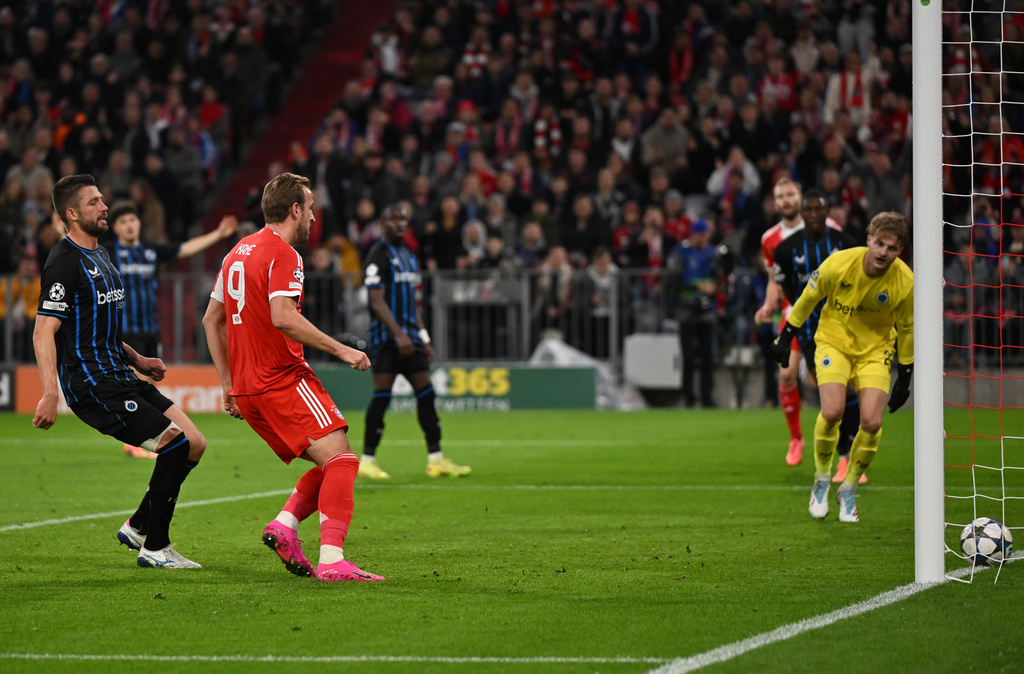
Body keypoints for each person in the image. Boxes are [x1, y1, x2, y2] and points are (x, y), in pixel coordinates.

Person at [202, 172, 383, 582]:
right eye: (312, 209)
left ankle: (285, 525)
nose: (315, 218)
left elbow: (210, 320)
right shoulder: (284, 254)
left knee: (330, 462)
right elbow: (283, 317)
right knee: (342, 460)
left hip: (248, 390)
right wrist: (342, 349)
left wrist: (227, 384)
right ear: (294, 210)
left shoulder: (236, 253)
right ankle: (333, 560)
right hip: (282, 378)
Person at [33, 174, 207, 569]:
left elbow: (101, 327)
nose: (104, 206)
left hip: (121, 372)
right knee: (174, 444)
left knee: (194, 442)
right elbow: (44, 330)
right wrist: (49, 392)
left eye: (102, 199)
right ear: (72, 213)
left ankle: (138, 526)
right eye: (94, 202)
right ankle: (155, 548)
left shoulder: (103, 255)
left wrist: (138, 360)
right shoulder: (63, 262)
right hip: (93, 384)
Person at [772, 211, 914, 523]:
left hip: (875, 351)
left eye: (892, 248)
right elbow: (807, 299)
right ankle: (822, 481)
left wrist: (905, 376)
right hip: (834, 343)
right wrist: (785, 337)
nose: (883, 253)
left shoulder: (904, 281)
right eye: (879, 244)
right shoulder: (839, 263)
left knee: (872, 423)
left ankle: (847, 489)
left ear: (900, 251)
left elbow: (907, 329)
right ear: (869, 240)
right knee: (833, 411)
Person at [106, 201, 239, 458]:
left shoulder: (150, 252)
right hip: (125, 330)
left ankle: (140, 439)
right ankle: (136, 441)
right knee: (137, 386)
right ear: (116, 229)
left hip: (150, 328)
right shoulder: (110, 253)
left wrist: (218, 235)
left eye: (132, 220)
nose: (129, 225)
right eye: (123, 222)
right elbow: (82, 253)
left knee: (145, 386)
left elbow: (184, 249)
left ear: (139, 223)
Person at [357, 204, 471, 480]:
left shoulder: (409, 256)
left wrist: (423, 337)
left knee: (427, 394)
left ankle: (436, 459)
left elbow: (415, 303)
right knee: (382, 396)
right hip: (388, 340)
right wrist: (398, 334)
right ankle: (367, 460)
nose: (400, 223)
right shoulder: (377, 255)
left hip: (412, 339)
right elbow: (376, 301)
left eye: (403, 219)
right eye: (394, 218)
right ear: (383, 222)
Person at [771, 190, 865, 483]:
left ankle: (847, 458)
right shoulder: (786, 249)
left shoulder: (845, 244)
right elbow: (787, 291)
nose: (813, 213)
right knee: (834, 397)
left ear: (827, 212)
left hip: (847, 328)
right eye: (808, 208)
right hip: (814, 333)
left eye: (818, 208)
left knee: (847, 390)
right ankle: (840, 456)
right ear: (802, 212)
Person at [754, 177, 808, 466]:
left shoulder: (822, 230)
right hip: (792, 314)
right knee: (786, 375)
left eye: (790, 194)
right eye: (781, 196)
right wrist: (767, 304)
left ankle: (846, 453)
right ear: (775, 203)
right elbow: (774, 280)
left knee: (834, 384)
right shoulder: (769, 239)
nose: (786, 200)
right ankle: (796, 438)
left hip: (828, 314)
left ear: (799, 196)